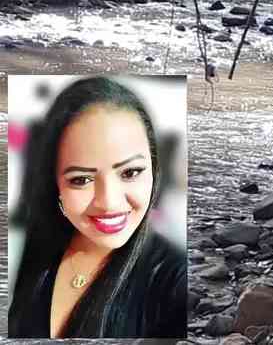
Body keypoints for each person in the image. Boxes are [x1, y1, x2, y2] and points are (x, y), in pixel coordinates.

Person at [8, 76, 186, 338]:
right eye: (81, 179)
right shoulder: (32, 249)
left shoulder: (175, 284)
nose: (109, 202)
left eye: (130, 172)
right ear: (54, 182)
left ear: (155, 169)